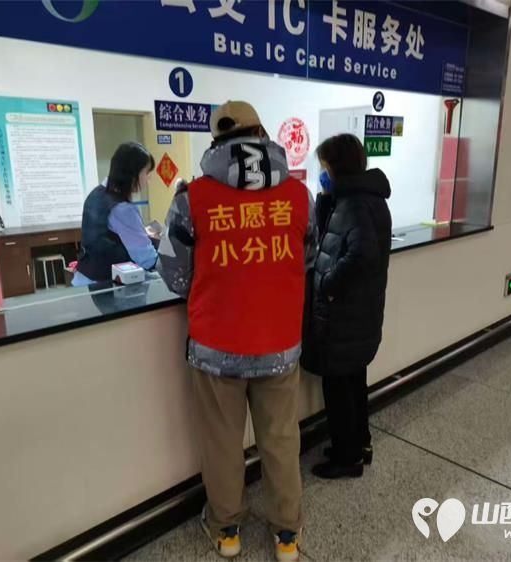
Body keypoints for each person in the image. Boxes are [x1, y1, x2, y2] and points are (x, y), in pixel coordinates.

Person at [157, 101, 317, 561]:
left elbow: (173, 275)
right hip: (279, 346)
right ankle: (287, 535)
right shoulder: (298, 196)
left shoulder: (191, 198)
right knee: (281, 440)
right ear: (261, 134)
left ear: (216, 142)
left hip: (216, 349)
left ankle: (227, 531)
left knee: (223, 444)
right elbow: (307, 259)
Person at [300, 133, 392, 480]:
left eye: (324, 166)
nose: (321, 173)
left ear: (336, 167)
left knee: (338, 389)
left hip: (343, 318)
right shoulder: (364, 198)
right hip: (358, 315)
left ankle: (347, 458)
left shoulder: (353, 204)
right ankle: (360, 444)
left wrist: (327, 284)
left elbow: (362, 255)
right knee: (354, 383)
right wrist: (326, 200)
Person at [73, 142, 158, 286]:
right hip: (105, 286)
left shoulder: (96, 194)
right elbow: (146, 259)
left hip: (84, 279)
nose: (148, 179)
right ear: (132, 174)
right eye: (146, 173)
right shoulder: (123, 208)